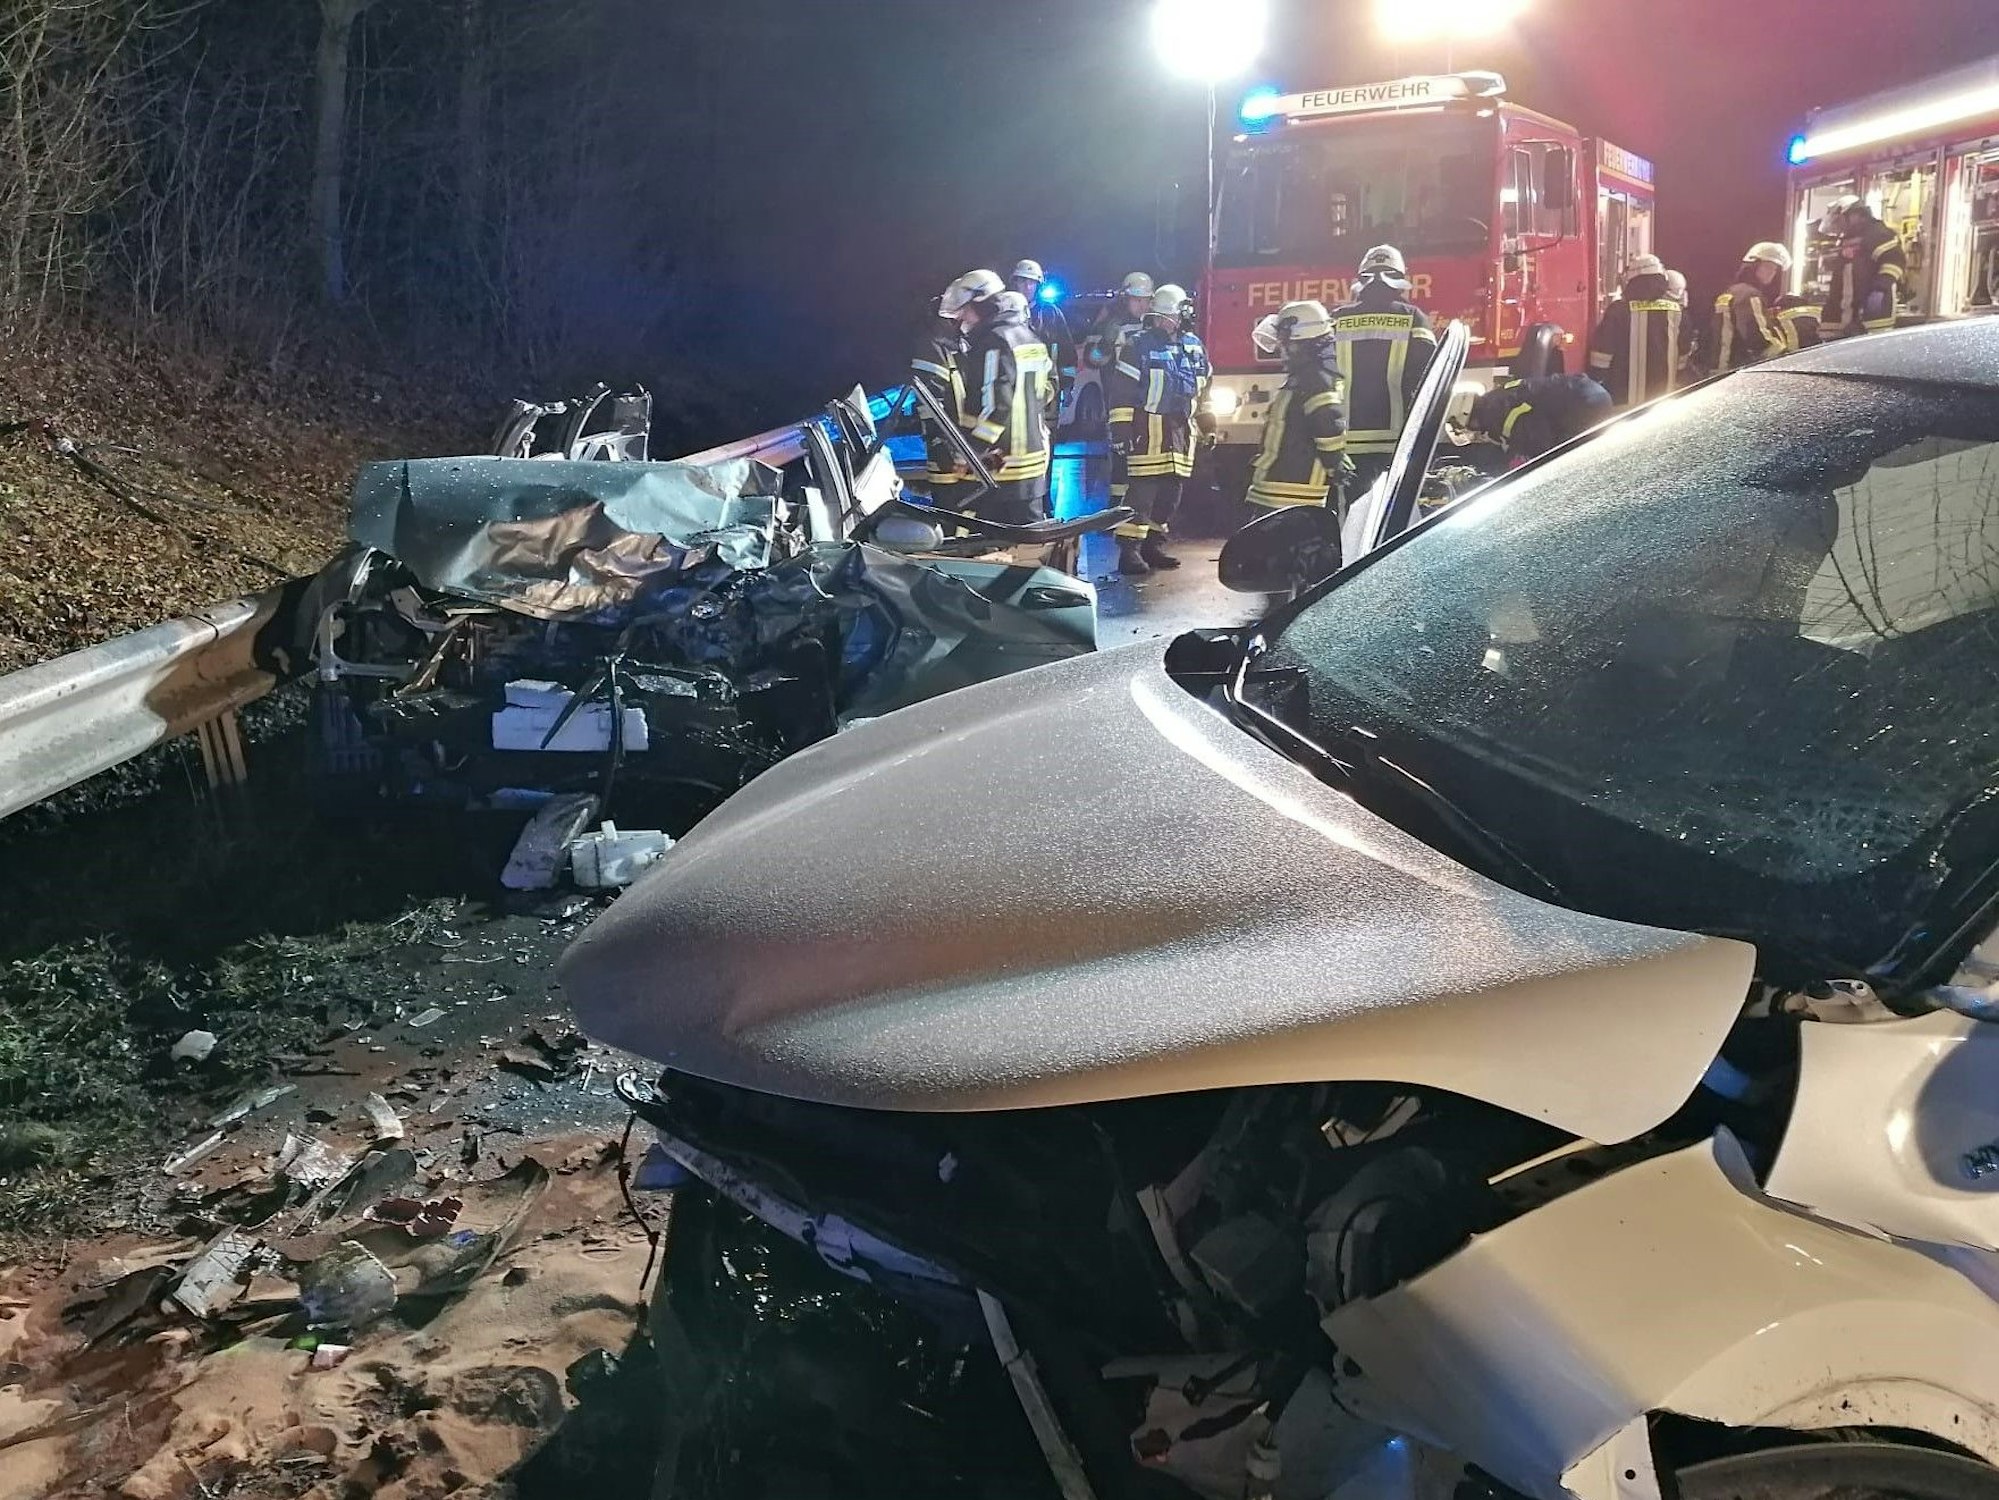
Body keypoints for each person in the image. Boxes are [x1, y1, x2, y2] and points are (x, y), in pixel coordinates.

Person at [1106, 284, 1214, 575]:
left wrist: (1208, 423)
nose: (1186, 316)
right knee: (1141, 497)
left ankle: (1153, 545)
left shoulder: (1193, 345)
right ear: (1167, 315)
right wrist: (1121, 430)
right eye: (1181, 311)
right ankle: (1129, 553)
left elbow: (1204, 390)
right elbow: (1122, 393)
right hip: (1147, 432)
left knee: (1170, 495)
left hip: (1180, 433)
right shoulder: (1138, 346)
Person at [1327, 245, 1437, 496]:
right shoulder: (1414, 318)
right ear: (1399, 281)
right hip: (1395, 439)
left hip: (1347, 440)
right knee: (1390, 512)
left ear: (1362, 281)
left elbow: (1325, 374)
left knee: (1351, 512)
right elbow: (1426, 377)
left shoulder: (1337, 319)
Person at [953, 280, 1055, 525]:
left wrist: (970, 452)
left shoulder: (994, 342)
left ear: (980, 308)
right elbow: (1047, 392)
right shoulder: (1030, 338)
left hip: (1004, 461)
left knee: (993, 543)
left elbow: (996, 406)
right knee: (1028, 543)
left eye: (964, 310)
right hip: (1034, 458)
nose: (961, 317)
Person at [1245, 300, 1348, 514]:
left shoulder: (1314, 379)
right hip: (1280, 487)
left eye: (1285, 340)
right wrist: (1336, 466)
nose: (1282, 347)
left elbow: (1328, 423)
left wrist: (1335, 464)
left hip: (1293, 490)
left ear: (1301, 340)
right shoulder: (1306, 377)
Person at [1083, 272, 1156, 510]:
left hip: (1146, 402)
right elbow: (1094, 360)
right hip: (1119, 401)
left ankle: (1138, 507)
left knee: (1144, 458)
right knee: (1120, 456)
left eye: (1146, 300)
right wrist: (1105, 343)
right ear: (1125, 299)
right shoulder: (1113, 325)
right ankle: (1116, 507)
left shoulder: (1153, 326)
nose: (1142, 305)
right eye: (1137, 300)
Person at [911, 281, 983, 504]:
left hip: (966, 451)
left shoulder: (959, 344)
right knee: (952, 517)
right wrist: (945, 447)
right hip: (948, 456)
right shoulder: (932, 347)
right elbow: (930, 404)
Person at [1589, 254, 1692, 407]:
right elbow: (1683, 359)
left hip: (1623, 404)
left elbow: (1600, 358)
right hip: (1664, 404)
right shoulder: (1678, 313)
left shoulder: (1618, 311)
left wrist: (1597, 387)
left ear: (1633, 281)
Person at [1467, 372, 1613, 468]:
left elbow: (1534, 440)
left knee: (1573, 453)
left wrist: (1518, 459)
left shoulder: (1498, 414)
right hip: (1593, 392)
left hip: (1581, 404)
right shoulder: (1498, 398)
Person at [1817, 196, 1906, 338]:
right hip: (1846, 312)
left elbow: (1894, 260)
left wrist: (1879, 290)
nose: (1839, 225)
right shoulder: (1847, 240)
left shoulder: (1878, 234)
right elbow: (1842, 281)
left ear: (1855, 215)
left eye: (1840, 220)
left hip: (1874, 315)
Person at [1711, 243, 1793, 372]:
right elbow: (1758, 335)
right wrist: (1786, 357)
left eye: (1775, 269)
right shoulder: (1750, 295)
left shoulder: (1732, 291)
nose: (1772, 272)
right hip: (1738, 371)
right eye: (1768, 267)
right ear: (1754, 266)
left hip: (1720, 369)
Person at [1011, 259, 1075, 410]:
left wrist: (1067, 386)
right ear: (1015, 283)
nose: (1027, 287)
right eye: (1023, 281)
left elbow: (1067, 353)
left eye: (1031, 283)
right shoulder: (1006, 312)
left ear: (1038, 286)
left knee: (1046, 431)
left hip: (1047, 389)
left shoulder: (1051, 314)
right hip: (1014, 388)